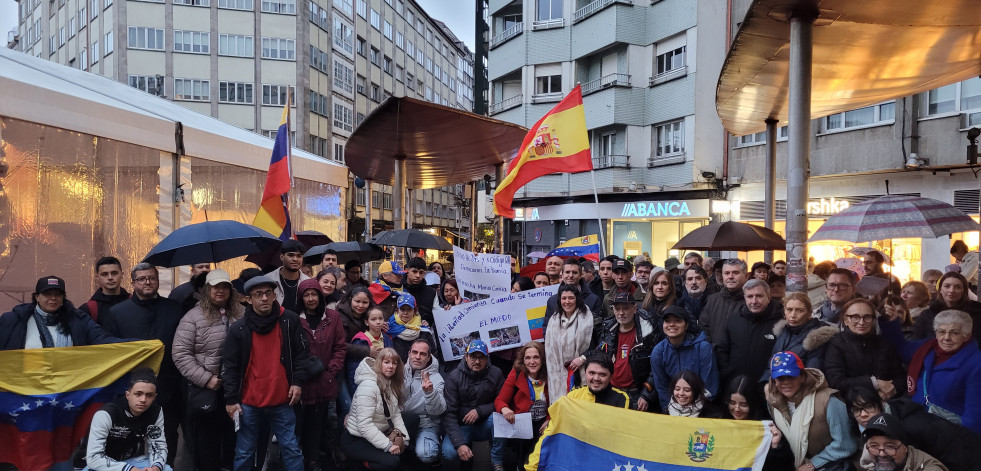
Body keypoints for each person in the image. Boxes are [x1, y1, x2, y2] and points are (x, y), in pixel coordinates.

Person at [222, 276, 312, 471]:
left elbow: (302, 354)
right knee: (245, 451)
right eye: (258, 294)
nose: (264, 298)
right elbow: (230, 366)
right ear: (248, 299)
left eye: (268, 293)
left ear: (274, 296)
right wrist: (230, 400)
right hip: (249, 403)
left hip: (283, 400)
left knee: (291, 449)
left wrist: (297, 382)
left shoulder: (289, 320)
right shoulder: (239, 329)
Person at [101, 264, 183, 466]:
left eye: (151, 278)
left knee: (166, 437)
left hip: (169, 386)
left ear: (157, 280)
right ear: (133, 282)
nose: (147, 282)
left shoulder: (174, 309)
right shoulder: (117, 313)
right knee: (125, 439)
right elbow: (110, 351)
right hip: (129, 388)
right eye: (142, 279)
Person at [172, 269, 244, 471]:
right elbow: (180, 354)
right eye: (215, 287)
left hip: (236, 389)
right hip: (206, 390)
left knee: (233, 437)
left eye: (224, 287)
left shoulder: (242, 314)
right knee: (207, 441)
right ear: (207, 290)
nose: (220, 291)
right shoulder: (192, 317)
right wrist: (206, 379)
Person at [881, 309, 981, 434]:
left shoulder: (976, 364)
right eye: (942, 332)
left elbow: (975, 413)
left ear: (966, 336)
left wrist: (966, 444)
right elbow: (903, 349)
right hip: (920, 421)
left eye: (954, 333)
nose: (946, 338)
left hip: (950, 432)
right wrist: (891, 323)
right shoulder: (928, 347)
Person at [845, 384, 981, 471]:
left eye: (868, 407)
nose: (863, 414)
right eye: (856, 410)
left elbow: (951, 453)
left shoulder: (911, 426)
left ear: (881, 404)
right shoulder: (869, 423)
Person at [765, 351, 859, 470]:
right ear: (773, 381)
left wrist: (812, 464)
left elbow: (846, 445)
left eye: (791, 376)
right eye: (780, 378)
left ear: (803, 377)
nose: (786, 382)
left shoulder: (829, 401)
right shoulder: (774, 405)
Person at [295, 279, 346, 471]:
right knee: (299, 423)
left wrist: (331, 371)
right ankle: (296, 458)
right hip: (302, 381)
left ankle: (313, 460)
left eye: (314, 294)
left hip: (324, 379)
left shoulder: (332, 317)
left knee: (317, 422)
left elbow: (340, 347)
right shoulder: (294, 318)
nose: (310, 299)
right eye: (306, 295)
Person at [81, 368, 169, 471]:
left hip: (129, 462)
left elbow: (158, 445)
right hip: (94, 465)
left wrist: (155, 468)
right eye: (138, 394)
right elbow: (93, 459)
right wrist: (129, 469)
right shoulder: (107, 413)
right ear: (128, 395)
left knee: (165, 469)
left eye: (149, 395)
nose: (143, 400)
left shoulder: (156, 411)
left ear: (154, 397)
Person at [0, 275, 120, 350]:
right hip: (24, 385)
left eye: (58, 295)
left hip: (67, 385)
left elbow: (103, 340)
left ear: (63, 298)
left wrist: (137, 345)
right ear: (37, 297)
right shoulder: (13, 320)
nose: (53, 298)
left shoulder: (78, 319)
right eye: (47, 294)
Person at [824, 298, 906, 402]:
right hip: (852, 403)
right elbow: (836, 382)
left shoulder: (884, 343)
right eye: (855, 317)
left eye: (867, 317)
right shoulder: (837, 344)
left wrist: (891, 390)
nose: (861, 322)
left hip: (886, 402)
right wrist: (874, 383)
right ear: (845, 320)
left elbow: (900, 378)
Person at [441, 340, 506, 471]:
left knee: (501, 418)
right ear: (466, 356)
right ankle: (466, 456)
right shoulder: (454, 377)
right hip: (462, 427)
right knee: (449, 452)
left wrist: (479, 411)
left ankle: (497, 461)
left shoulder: (496, 373)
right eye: (473, 356)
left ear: (487, 358)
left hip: (485, 424)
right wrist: (459, 444)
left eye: (481, 357)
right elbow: (449, 414)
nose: (477, 361)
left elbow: (502, 401)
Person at [341, 348, 409, 471]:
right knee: (392, 461)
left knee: (411, 421)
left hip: (376, 433)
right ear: (379, 363)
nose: (391, 366)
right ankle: (361, 464)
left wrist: (404, 440)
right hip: (356, 439)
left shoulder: (389, 383)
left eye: (394, 363)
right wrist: (388, 445)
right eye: (386, 362)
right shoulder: (368, 386)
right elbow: (364, 425)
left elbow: (396, 415)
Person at [592, 292, 659, 411]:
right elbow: (600, 359)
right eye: (617, 309)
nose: (621, 313)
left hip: (636, 395)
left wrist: (646, 394)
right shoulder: (608, 330)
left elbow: (655, 367)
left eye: (626, 308)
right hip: (610, 391)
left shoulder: (647, 333)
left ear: (634, 309)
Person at [720, 375, 795, 470]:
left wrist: (775, 446)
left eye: (743, 404)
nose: (737, 409)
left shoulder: (768, 428)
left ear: (753, 403)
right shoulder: (718, 425)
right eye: (732, 403)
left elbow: (782, 466)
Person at [649, 306, 717, 412]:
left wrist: (696, 410)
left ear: (686, 325)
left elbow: (709, 384)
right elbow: (661, 387)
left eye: (677, 321)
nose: (672, 324)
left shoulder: (703, 348)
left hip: (702, 409)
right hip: (673, 409)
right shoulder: (658, 352)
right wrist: (669, 410)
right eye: (667, 321)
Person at [717, 279, 783, 385]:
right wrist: (727, 374)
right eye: (750, 296)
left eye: (759, 296)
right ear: (744, 298)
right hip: (736, 386)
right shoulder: (734, 320)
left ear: (769, 297)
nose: (754, 301)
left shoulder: (781, 322)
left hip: (768, 387)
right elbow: (723, 350)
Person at [495, 342, 549, 466]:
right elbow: (500, 400)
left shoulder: (549, 375)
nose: (532, 361)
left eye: (536, 357)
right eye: (528, 358)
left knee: (543, 454)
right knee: (523, 456)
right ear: (523, 360)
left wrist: (550, 419)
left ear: (542, 359)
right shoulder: (516, 373)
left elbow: (558, 402)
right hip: (523, 422)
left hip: (543, 421)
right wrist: (505, 409)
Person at [544, 284, 594, 404]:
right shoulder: (553, 320)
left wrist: (582, 358)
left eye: (571, 298)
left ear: (577, 299)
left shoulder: (587, 317)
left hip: (580, 372)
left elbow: (596, 345)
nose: (567, 301)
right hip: (557, 374)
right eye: (564, 298)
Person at [401, 338, 446, 467]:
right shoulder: (398, 372)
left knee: (426, 454)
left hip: (426, 424)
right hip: (402, 422)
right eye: (414, 352)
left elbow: (439, 411)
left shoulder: (436, 379)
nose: (418, 357)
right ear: (409, 353)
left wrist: (430, 392)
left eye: (423, 354)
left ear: (428, 357)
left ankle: (434, 447)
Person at [768, 292, 837, 375]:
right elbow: (771, 364)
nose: (793, 315)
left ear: (809, 313)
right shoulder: (782, 331)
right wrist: (765, 383)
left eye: (800, 310)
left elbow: (812, 373)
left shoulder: (817, 337)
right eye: (789, 310)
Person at [911, 272, 981, 345]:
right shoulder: (928, 314)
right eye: (947, 286)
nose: (951, 291)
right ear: (940, 289)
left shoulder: (977, 312)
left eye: (958, 287)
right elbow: (917, 341)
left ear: (964, 291)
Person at [860, 413, 948, 471]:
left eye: (890, 446)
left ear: (905, 448)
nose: (881, 454)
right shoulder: (868, 463)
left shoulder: (930, 468)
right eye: (874, 446)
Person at [542, 259, 603, 330]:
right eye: (567, 272)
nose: (570, 275)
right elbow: (547, 326)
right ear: (562, 274)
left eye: (574, 272)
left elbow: (597, 330)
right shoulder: (552, 300)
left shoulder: (593, 300)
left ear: (580, 275)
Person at [700, 258, 748, 345]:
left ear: (746, 276)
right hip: (715, 354)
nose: (730, 276)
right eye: (727, 273)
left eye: (735, 273)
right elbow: (704, 327)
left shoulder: (752, 301)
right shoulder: (712, 300)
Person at [348, 306, 394, 392]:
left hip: (385, 385)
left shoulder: (387, 338)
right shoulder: (360, 340)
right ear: (366, 322)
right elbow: (354, 370)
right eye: (373, 319)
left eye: (381, 318)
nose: (378, 322)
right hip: (365, 386)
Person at [80, 256, 130, 322]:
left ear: (122, 274)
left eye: (114, 273)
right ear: (97, 277)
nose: (110, 277)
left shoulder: (134, 302)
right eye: (104, 274)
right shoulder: (89, 309)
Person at [265, 240, 310, 312]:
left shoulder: (308, 282)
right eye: (291, 255)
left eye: (299, 256)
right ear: (282, 257)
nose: (295, 259)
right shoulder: (268, 280)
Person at [388, 293, 435, 361]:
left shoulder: (424, 331)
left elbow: (433, 356)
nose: (405, 313)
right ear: (397, 310)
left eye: (409, 309)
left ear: (415, 311)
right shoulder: (389, 329)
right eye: (402, 309)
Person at [403, 257, 437, 326]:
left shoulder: (431, 292)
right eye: (414, 271)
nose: (418, 275)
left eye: (421, 272)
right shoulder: (398, 289)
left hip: (424, 331)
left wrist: (428, 320)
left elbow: (437, 314)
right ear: (407, 271)